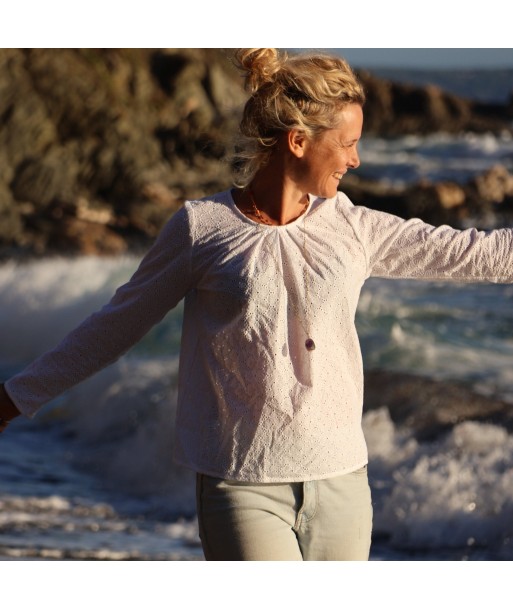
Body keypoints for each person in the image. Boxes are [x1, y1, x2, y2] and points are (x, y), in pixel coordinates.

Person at [1, 47, 513, 561]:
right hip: (244, 485)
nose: (356, 160)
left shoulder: (354, 227)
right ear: (298, 142)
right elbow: (116, 325)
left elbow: (473, 252)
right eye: (348, 144)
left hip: (343, 483)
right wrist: (17, 396)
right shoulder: (202, 228)